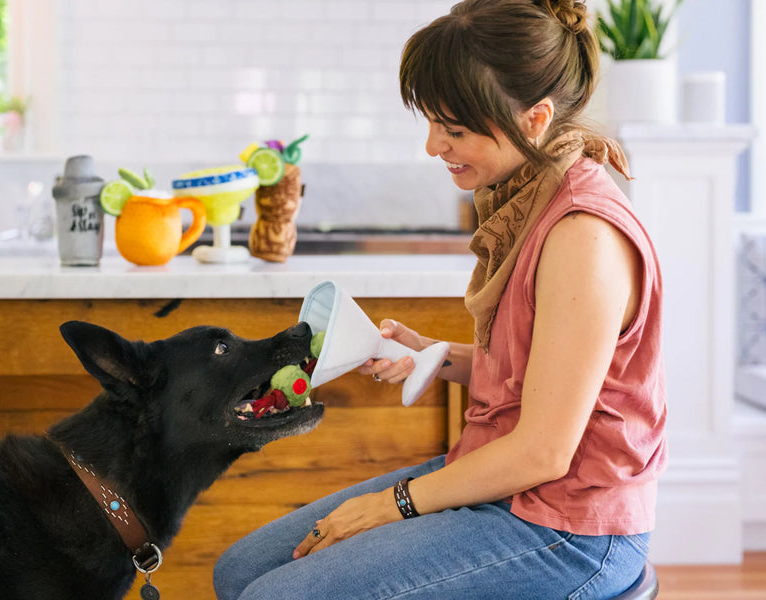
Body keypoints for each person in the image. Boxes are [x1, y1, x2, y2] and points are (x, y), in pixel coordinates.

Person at [213, 0, 667, 598]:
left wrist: (389, 505)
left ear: (535, 120)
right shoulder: (532, 195)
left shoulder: (583, 235)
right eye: (431, 122)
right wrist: (438, 354)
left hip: (569, 529)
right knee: (238, 572)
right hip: (505, 484)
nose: (433, 146)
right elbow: (550, 378)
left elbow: (545, 451)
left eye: (454, 129)